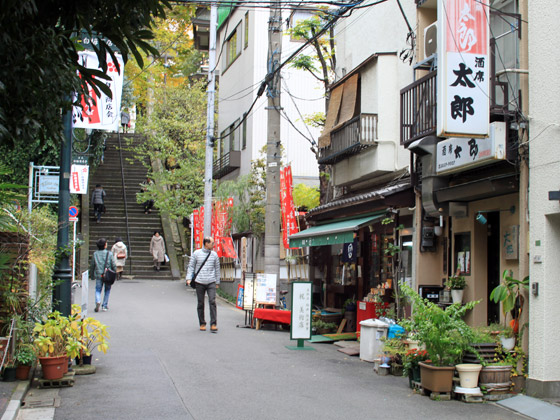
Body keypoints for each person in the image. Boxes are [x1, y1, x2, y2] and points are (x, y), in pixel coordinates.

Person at [186, 237, 221, 332]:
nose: (213, 245)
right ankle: (202, 323)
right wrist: (189, 278)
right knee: (200, 303)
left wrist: (217, 282)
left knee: (212, 301)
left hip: (211, 281)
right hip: (199, 281)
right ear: (206, 243)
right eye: (212, 243)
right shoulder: (196, 253)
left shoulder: (214, 255)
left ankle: (213, 323)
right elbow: (191, 266)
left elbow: (217, 269)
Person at [90, 238, 116, 312]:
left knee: (98, 289)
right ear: (105, 245)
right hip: (107, 274)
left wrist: (92, 275)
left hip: (98, 274)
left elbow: (92, 265)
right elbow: (113, 264)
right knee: (107, 290)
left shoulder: (95, 254)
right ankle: (104, 306)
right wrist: (114, 272)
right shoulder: (109, 253)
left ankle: (98, 300)